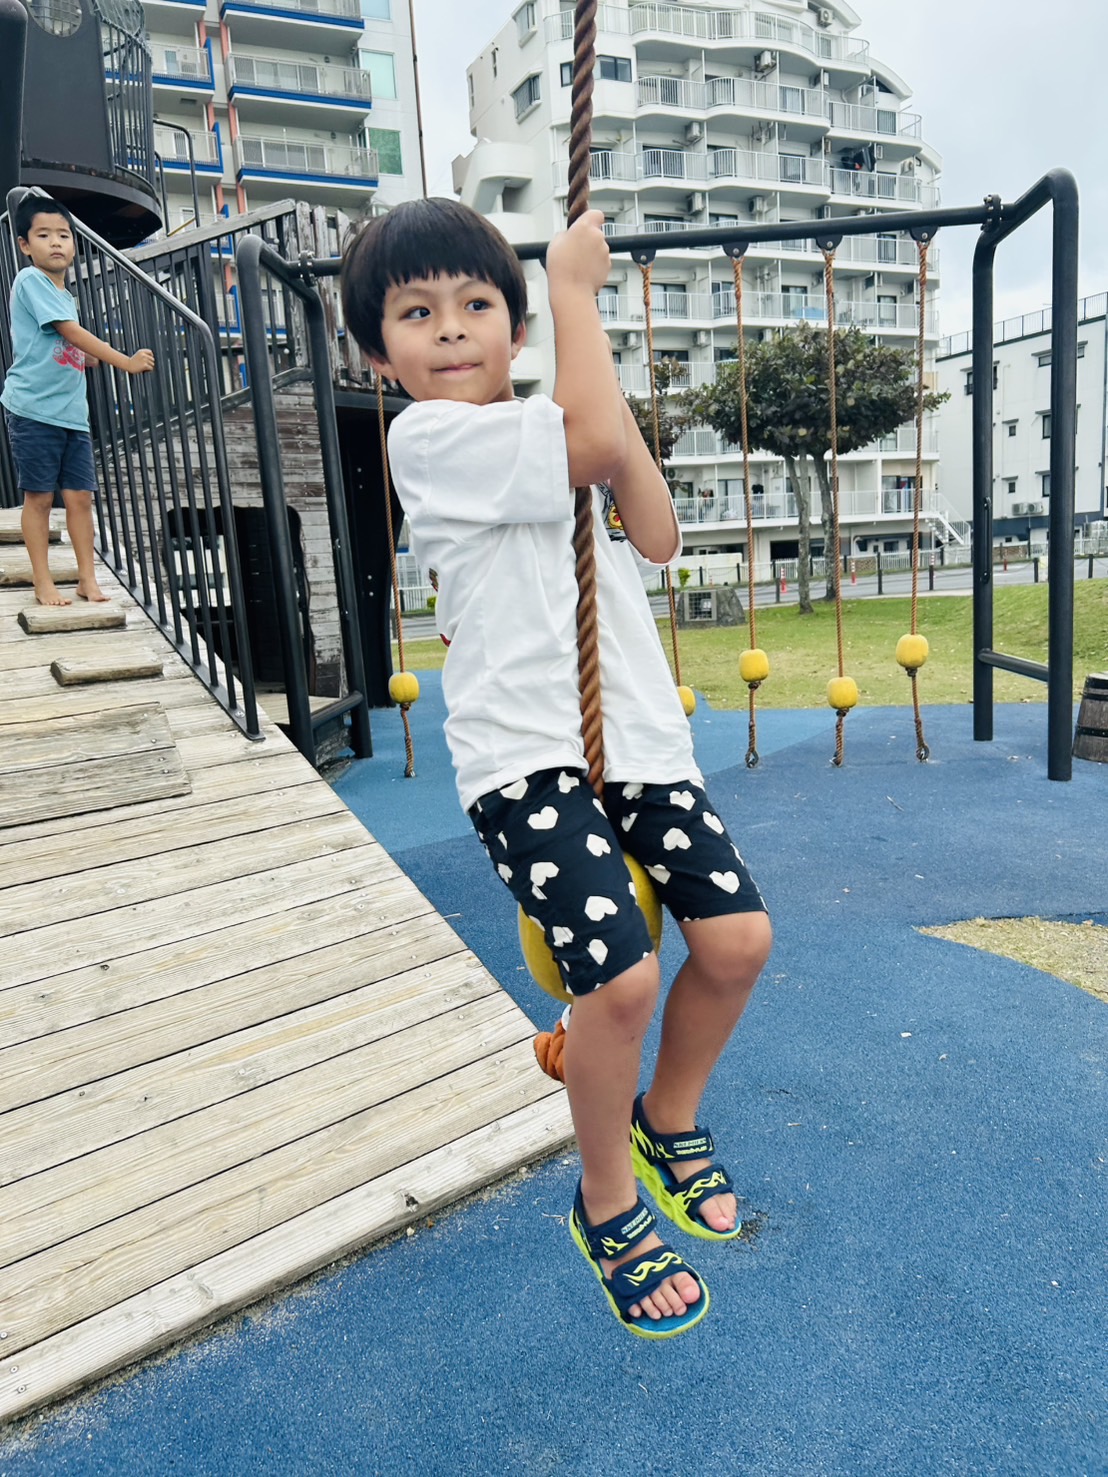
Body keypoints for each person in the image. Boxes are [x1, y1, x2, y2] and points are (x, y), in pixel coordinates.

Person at [341, 198, 772, 1339]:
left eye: (477, 303)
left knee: (738, 942)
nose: (450, 327)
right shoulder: (429, 441)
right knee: (621, 984)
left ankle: (666, 1118)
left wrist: (589, 355)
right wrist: (573, 290)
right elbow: (584, 444)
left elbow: (656, 530)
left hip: (635, 740)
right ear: (378, 353)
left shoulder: (558, 416)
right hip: (526, 758)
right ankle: (607, 1202)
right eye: (416, 312)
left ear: (516, 329)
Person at [1, 196, 154, 605]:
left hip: (72, 414)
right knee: (39, 497)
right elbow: (69, 332)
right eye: (44, 235)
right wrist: (123, 361)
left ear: (73, 245)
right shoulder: (30, 280)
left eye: (64, 235)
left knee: (80, 499)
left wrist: (87, 357)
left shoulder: (65, 296)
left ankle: (87, 579)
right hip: (33, 409)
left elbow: (64, 344)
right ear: (24, 245)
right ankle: (43, 581)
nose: (56, 242)